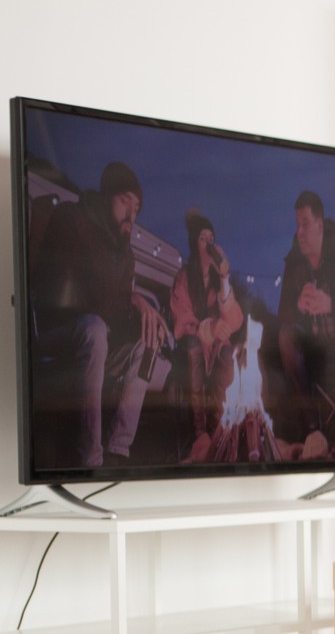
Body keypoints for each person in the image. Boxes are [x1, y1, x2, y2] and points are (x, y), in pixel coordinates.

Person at [26, 160, 170, 467]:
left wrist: (145, 319)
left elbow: (113, 314)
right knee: (93, 328)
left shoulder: (126, 252)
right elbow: (83, 298)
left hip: (95, 337)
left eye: (137, 207)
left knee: (148, 341)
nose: (132, 214)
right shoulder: (72, 219)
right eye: (124, 202)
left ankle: (119, 450)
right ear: (106, 198)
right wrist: (134, 301)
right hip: (55, 332)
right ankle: (89, 459)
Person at [273, 190, 335, 454]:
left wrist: (333, 305)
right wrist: (297, 307)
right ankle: (312, 430)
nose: (299, 232)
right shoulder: (294, 263)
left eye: (305, 224)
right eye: (297, 225)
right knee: (286, 336)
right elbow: (281, 317)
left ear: (319, 225)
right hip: (312, 358)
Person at [170, 210, 244, 451]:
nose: (208, 244)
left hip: (214, 350)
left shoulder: (216, 281)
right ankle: (199, 431)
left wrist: (224, 280)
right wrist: (207, 328)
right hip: (191, 349)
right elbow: (181, 319)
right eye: (203, 239)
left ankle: (216, 430)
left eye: (211, 239)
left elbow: (234, 319)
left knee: (227, 354)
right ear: (194, 243)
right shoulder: (183, 276)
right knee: (192, 348)